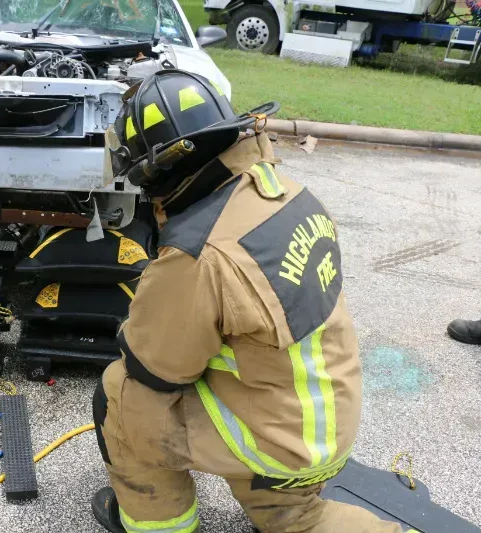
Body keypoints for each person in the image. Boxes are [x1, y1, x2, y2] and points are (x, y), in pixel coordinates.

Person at [92, 69, 413, 533]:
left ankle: (159, 524)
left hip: (278, 441)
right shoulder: (289, 194)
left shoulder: (198, 254)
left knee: (120, 393)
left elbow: (154, 368)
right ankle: (290, 511)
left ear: (159, 169)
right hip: (323, 424)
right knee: (293, 519)